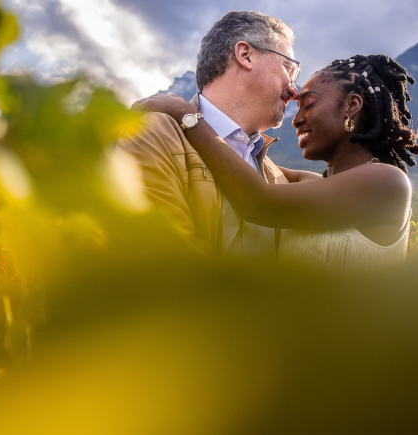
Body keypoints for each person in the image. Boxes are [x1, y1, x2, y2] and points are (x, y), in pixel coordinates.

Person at [137, 54, 418, 270]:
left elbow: (258, 200)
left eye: (308, 103)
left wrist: (186, 114)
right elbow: (242, 160)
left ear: (352, 105)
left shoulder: (387, 183)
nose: (296, 120)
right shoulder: (313, 184)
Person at [117, 11, 300, 259]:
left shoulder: (273, 171)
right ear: (245, 55)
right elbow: (165, 262)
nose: (294, 88)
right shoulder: (153, 134)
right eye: (289, 68)